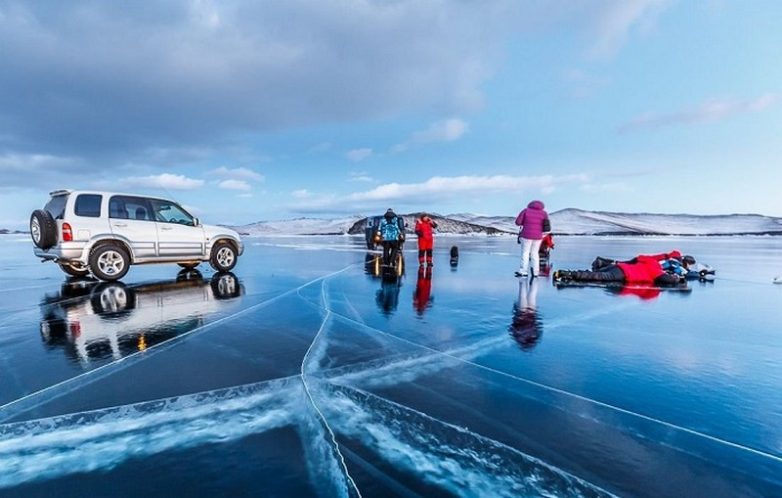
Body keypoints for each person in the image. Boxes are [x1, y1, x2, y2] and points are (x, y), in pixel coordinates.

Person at [554, 251, 694, 286]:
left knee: (593, 273)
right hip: (623, 274)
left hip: (618, 266)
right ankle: (566, 273)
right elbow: (667, 280)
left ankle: (568, 273)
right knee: (595, 277)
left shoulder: (650, 261)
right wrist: (678, 279)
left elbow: (638, 257)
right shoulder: (656, 271)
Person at [515, 200, 550, 277]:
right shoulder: (544, 213)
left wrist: (525, 222)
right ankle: (535, 272)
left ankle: (523, 271)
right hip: (538, 237)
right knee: (535, 254)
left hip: (526, 236)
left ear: (530, 205)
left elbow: (518, 222)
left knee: (525, 253)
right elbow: (547, 226)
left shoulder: (525, 211)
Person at [509, 276, 542, 351]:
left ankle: (530, 279)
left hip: (528, 313)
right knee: (525, 294)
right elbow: (513, 327)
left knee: (530, 294)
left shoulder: (532, 335)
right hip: (525, 313)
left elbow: (513, 326)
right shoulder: (520, 336)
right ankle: (531, 278)